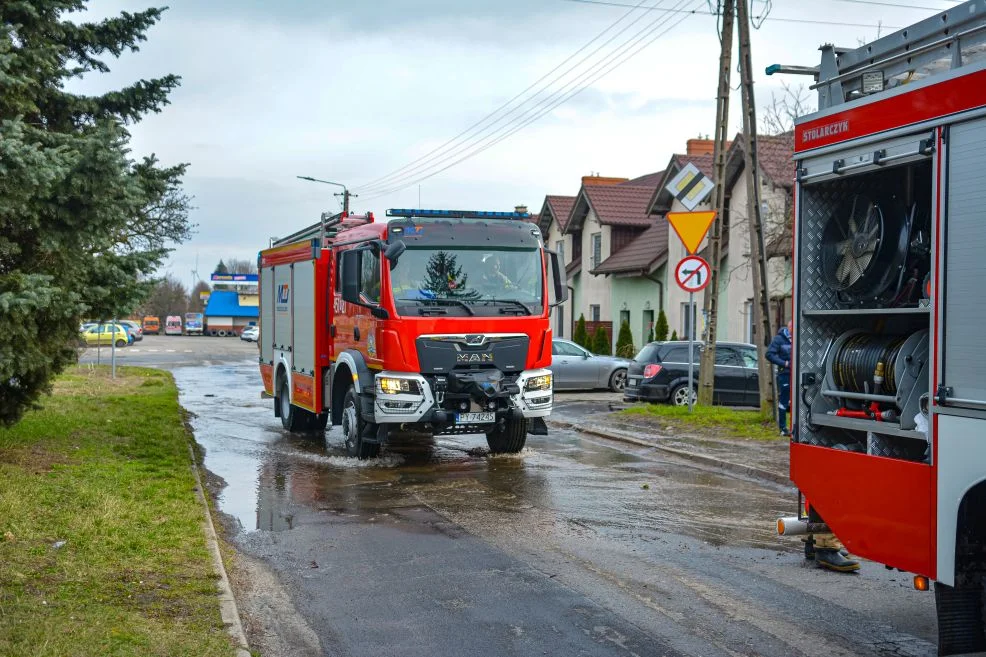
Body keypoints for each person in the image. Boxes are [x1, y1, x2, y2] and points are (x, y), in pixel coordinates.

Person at [766, 320, 792, 436]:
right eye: (793, 327)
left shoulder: (799, 337)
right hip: (785, 373)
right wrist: (784, 363)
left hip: (797, 374)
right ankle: (783, 428)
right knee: (784, 401)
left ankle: (796, 428)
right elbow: (769, 354)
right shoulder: (779, 339)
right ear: (789, 327)